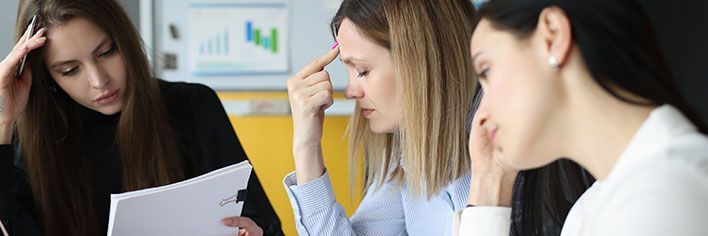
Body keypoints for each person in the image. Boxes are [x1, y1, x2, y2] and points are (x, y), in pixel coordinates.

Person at [0, 0, 282, 235]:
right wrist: (3, 121)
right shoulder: (26, 140)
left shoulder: (193, 106)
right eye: (70, 70)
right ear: (47, 77)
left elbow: (265, 226)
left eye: (106, 52)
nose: (99, 81)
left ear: (125, 40)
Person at [460, 0, 708, 235]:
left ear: (553, 35)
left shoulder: (663, 192)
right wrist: (489, 180)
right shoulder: (596, 206)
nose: (483, 116)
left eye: (487, 70)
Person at [285, 0, 478, 235]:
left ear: (419, 60)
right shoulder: (408, 156)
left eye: (362, 71)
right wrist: (307, 148)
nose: (350, 91)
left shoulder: (500, 156)